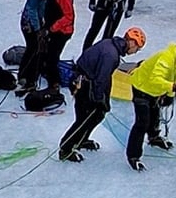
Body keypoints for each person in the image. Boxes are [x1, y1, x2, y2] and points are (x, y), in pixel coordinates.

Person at [59, 27, 147, 162]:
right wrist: (99, 99)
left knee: (92, 115)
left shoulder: (110, 44)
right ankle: (66, 148)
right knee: (88, 117)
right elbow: (101, 79)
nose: (135, 52)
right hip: (85, 83)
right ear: (132, 43)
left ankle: (81, 140)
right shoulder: (111, 55)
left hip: (81, 80)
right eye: (137, 48)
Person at [126, 44, 176, 171]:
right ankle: (133, 156)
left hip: (155, 91)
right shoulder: (166, 59)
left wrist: (170, 95)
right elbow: (155, 78)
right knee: (142, 122)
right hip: (141, 86)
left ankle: (154, 137)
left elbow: (175, 79)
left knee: (155, 112)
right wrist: (172, 88)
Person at [36, 0, 75, 92]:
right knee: (48, 54)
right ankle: (48, 74)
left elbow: (68, 16)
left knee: (52, 57)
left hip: (62, 31)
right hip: (55, 28)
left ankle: (54, 84)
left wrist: (51, 29)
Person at [15, 0, 48, 94]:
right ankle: (26, 78)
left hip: (31, 23)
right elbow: (32, 11)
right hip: (30, 25)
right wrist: (38, 29)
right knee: (33, 49)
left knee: (33, 49)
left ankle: (26, 76)